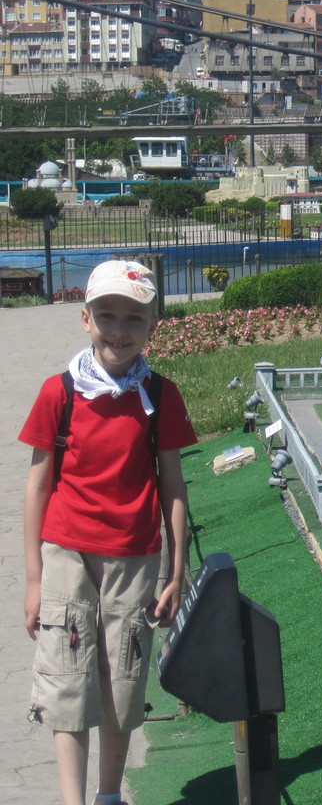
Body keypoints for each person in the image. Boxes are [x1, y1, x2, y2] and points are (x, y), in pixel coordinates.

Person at [21, 260, 198, 805]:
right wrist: (34, 579)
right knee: (67, 684)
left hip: (134, 557)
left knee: (122, 684)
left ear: (152, 326)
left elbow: (173, 488)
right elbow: (37, 487)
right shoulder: (59, 392)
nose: (119, 330)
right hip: (67, 552)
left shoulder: (160, 396)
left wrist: (176, 572)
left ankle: (108, 795)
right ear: (86, 319)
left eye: (133, 318)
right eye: (107, 316)